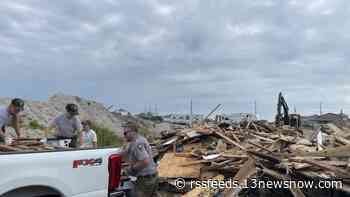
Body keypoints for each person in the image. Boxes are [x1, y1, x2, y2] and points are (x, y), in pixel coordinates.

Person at [122, 122, 158, 197]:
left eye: (125, 133)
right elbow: (125, 152)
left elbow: (145, 161)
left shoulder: (137, 143)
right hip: (151, 177)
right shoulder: (139, 139)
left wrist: (131, 169)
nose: (124, 135)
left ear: (133, 132)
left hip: (145, 180)